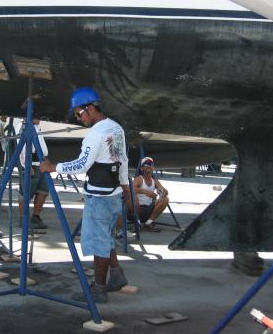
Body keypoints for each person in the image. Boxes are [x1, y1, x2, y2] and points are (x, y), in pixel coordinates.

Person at [40, 87, 129, 303]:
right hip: (114, 193)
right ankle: (116, 275)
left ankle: (99, 289)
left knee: (99, 242)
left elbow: (81, 165)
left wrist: (53, 167)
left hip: (99, 197)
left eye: (79, 113)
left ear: (90, 108)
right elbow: (123, 159)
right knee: (106, 237)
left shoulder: (96, 134)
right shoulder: (116, 129)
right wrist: (125, 186)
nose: (78, 119)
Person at [16, 114, 49, 230]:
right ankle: (23, 219)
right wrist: (26, 165)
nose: (40, 118)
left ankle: (36, 216)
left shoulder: (36, 126)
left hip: (40, 163)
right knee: (26, 192)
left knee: (43, 190)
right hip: (31, 163)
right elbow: (21, 147)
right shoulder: (23, 127)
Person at [133, 157, 169, 232]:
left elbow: (164, 190)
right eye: (146, 164)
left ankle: (149, 222)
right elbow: (131, 189)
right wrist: (146, 192)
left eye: (151, 164)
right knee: (132, 196)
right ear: (142, 168)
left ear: (153, 168)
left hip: (149, 209)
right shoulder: (139, 179)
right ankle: (138, 223)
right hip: (137, 209)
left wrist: (162, 192)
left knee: (165, 199)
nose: (149, 166)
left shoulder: (155, 181)